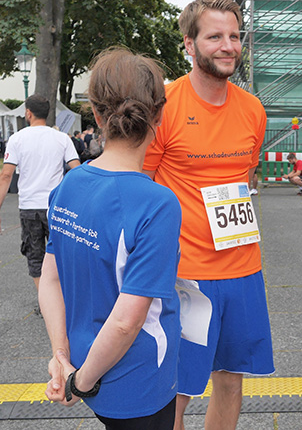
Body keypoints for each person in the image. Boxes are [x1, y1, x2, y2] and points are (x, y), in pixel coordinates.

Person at [142, 0, 274, 430]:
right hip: (184, 275)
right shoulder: (163, 105)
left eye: (235, 36)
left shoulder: (253, 110)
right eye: (215, 36)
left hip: (242, 268)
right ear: (189, 43)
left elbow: (245, 177)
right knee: (175, 390)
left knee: (231, 381)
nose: (228, 46)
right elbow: (141, 188)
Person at [39, 48, 181, 429]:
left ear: (97, 115)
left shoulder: (69, 185)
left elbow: (50, 279)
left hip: (85, 358)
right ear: (159, 115)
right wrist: (80, 384)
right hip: (136, 377)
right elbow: (125, 322)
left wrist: (62, 357)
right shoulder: (157, 203)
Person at [0, 94, 80, 299]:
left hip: (29, 207)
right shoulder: (62, 138)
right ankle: (64, 297)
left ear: (28, 113)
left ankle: (46, 301)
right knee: (62, 254)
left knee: (35, 256)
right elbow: (76, 170)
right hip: (56, 205)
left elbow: (6, 175)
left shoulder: (17, 139)